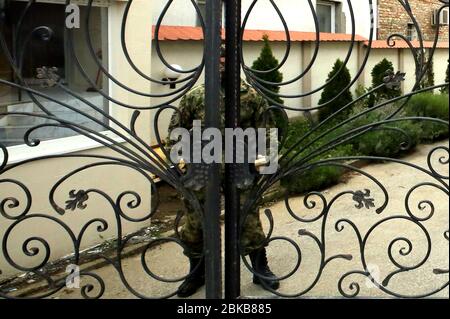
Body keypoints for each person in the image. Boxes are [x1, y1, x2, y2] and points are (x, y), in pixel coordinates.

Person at [167, 46, 280, 298]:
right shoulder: (195, 96)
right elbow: (176, 132)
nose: (221, 62)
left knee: (248, 218)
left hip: (240, 166)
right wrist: (180, 163)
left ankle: (260, 268)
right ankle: (197, 272)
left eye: (225, 58)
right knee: (196, 223)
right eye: (216, 57)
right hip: (201, 168)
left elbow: (267, 133)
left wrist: (264, 165)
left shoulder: (250, 95)